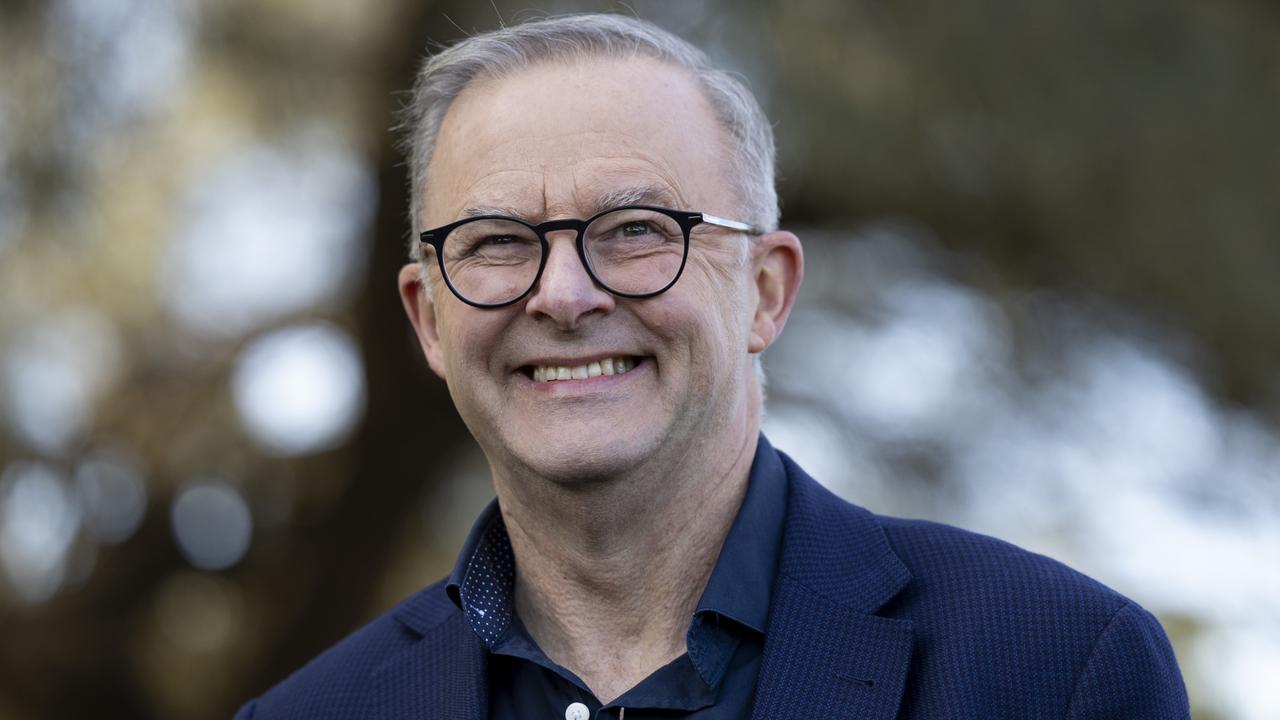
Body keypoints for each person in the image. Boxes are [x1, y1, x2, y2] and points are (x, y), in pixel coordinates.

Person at [237, 13, 1190, 719]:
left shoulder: (1055, 671)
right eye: (495, 242)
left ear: (766, 292)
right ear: (428, 319)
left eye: (638, 230)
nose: (563, 296)